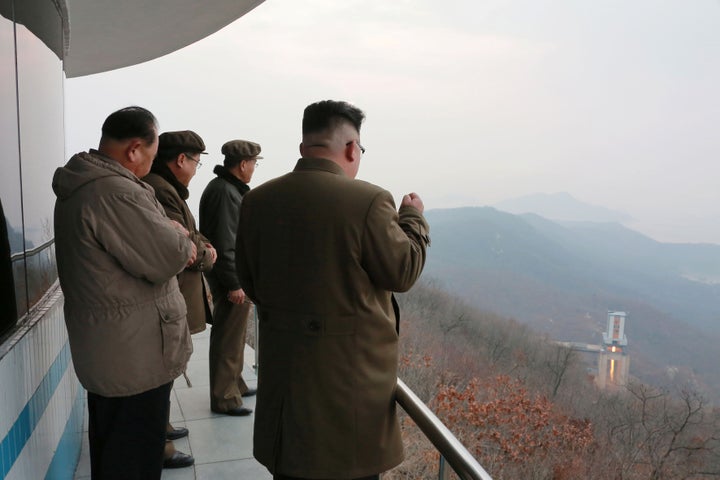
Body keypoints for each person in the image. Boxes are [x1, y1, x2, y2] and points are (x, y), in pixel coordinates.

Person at [236, 100, 430, 480]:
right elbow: (403, 271)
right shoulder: (368, 201)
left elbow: (250, 281)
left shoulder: (257, 201)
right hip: (348, 404)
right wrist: (413, 219)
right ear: (351, 148)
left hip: (285, 402)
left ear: (304, 147)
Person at [52, 106, 195, 480]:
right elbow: (166, 256)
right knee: (133, 460)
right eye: (150, 154)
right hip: (133, 358)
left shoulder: (85, 184)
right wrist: (178, 236)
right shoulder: (114, 192)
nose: (151, 163)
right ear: (134, 149)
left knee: (114, 452)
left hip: (112, 350)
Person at [142, 130, 218, 469]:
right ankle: (158, 444)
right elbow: (185, 249)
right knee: (160, 370)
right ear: (181, 160)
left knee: (165, 370)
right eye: (196, 162)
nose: (195, 169)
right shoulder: (161, 190)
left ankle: (163, 428)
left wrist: (199, 246)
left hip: (174, 296)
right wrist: (208, 255)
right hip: (168, 297)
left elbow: (191, 234)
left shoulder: (168, 188)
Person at [199, 139, 263, 416]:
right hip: (230, 277)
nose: (254, 169)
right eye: (254, 163)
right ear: (243, 164)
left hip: (233, 274)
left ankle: (235, 383)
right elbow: (226, 243)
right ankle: (225, 397)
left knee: (235, 335)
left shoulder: (226, 188)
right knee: (228, 337)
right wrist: (234, 283)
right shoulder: (225, 192)